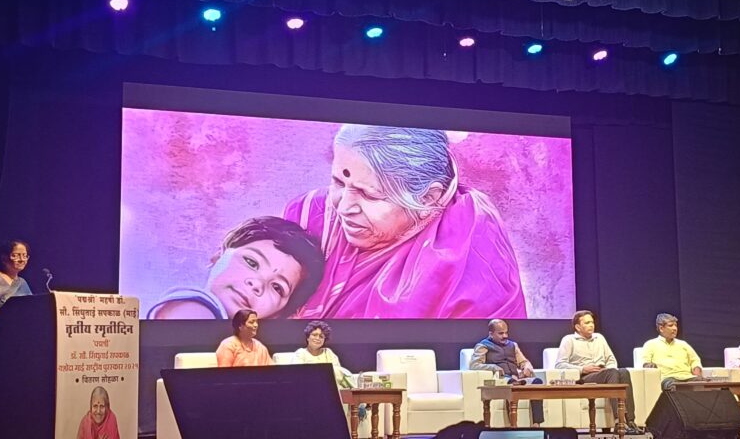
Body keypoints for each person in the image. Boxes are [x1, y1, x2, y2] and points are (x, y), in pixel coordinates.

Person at [284, 125, 526, 319]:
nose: (343, 207)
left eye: (369, 195)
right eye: (339, 182)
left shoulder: (470, 246)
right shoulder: (310, 215)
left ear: (428, 198)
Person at [147, 217, 324, 320]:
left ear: (279, 315)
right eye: (251, 262)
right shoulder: (196, 308)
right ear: (218, 256)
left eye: (277, 287)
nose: (257, 284)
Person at [555, 310, 641, 434]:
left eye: (592, 322)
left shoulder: (599, 338)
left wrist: (609, 368)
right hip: (586, 377)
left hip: (605, 372)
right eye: (587, 323)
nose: (591, 325)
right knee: (613, 373)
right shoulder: (569, 340)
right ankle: (619, 421)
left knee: (623, 372)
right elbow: (559, 364)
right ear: (577, 327)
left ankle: (631, 420)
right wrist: (583, 368)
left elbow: (611, 360)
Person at [469, 319, 544, 427]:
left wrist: (527, 366)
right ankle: (513, 425)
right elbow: (474, 365)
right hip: (501, 380)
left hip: (517, 378)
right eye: (501, 333)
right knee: (512, 384)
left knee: (537, 382)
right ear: (491, 334)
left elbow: (523, 361)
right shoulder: (483, 346)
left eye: (506, 332)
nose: (505, 336)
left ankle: (536, 424)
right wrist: (493, 367)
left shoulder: (513, 345)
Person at [0, 240, 34, 337]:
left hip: (20, 335)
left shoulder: (22, 282)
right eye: (16, 255)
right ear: (4, 258)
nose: (22, 259)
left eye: (25, 256)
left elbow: (31, 308)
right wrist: (11, 311)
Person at [640, 313, 703, 391]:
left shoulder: (683, 344)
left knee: (706, 384)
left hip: (687, 377)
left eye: (675, 325)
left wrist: (697, 370)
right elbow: (645, 363)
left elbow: (695, 360)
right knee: (673, 386)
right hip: (667, 379)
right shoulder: (650, 344)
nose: (675, 328)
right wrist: (649, 366)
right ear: (661, 328)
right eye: (670, 325)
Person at [291, 320, 354, 388]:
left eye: (321, 336)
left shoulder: (328, 353)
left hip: (330, 388)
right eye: (314, 335)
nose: (317, 338)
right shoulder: (300, 353)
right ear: (308, 337)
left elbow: (339, 375)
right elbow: (297, 375)